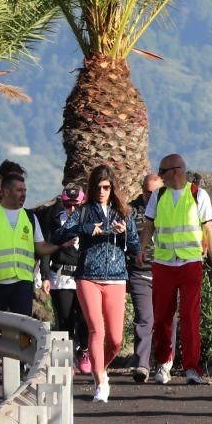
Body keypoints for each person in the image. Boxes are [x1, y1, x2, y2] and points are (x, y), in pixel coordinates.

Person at [141, 153, 212, 384]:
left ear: (176, 170)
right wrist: (142, 248)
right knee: (161, 317)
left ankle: (192, 367)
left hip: (190, 264)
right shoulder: (158, 196)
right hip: (163, 263)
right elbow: (149, 225)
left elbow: (209, 231)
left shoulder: (198, 194)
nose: (159, 176)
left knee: (189, 316)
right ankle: (163, 363)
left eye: (162, 171)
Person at [58, 165, 141, 402]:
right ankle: (98, 382)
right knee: (96, 330)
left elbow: (135, 249)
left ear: (112, 188)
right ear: (92, 188)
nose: (102, 191)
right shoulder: (83, 212)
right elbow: (59, 235)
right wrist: (86, 229)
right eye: (98, 187)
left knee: (115, 340)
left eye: (106, 187)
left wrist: (125, 233)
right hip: (88, 277)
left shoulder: (124, 212)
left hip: (116, 277)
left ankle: (100, 369)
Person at [0, 170, 55, 381]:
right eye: (19, 190)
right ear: (6, 191)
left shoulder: (30, 217)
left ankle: (18, 367)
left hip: (22, 281)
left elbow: (41, 247)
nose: (23, 194)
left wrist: (59, 245)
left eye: (25, 190)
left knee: (22, 328)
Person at [39, 184, 91, 374]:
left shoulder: (90, 221)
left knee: (85, 318)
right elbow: (45, 249)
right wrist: (45, 276)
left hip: (84, 275)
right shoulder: (53, 221)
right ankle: (64, 359)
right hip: (61, 276)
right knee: (65, 319)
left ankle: (84, 351)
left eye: (76, 205)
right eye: (68, 205)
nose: (72, 210)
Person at [127, 172, 162, 382]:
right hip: (140, 273)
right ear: (143, 191)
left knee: (166, 320)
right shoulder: (131, 212)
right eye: (149, 192)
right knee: (145, 318)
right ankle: (142, 364)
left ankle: (164, 363)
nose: (152, 196)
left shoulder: (170, 210)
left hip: (166, 271)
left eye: (157, 192)